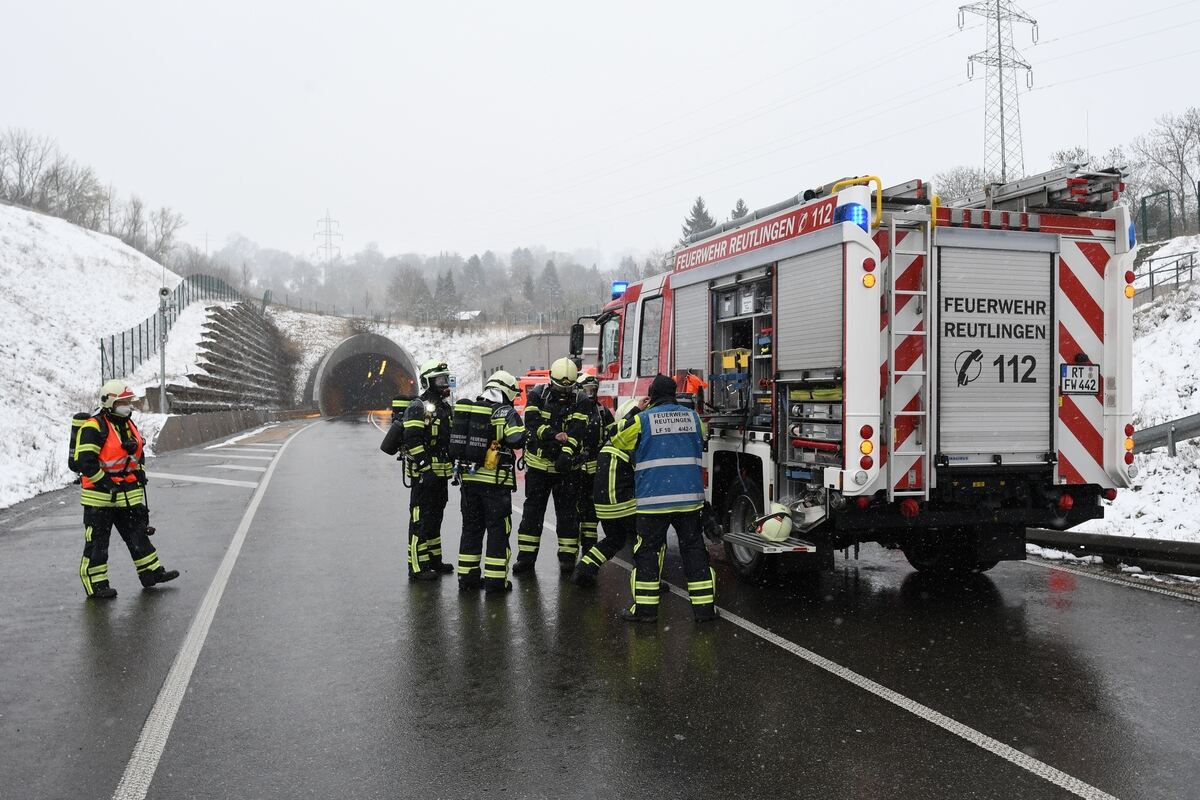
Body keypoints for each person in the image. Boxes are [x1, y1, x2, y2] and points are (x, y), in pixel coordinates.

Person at [611, 374, 716, 623]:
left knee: (647, 554)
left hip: (654, 501)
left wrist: (637, 408)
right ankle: (705, 611)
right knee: (694, 552)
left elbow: (617, 439)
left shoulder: (642, 419)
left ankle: (646, 611)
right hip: (689, 500)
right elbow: (701, 440)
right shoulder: (693, 418)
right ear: (675, 394)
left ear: (653, 395)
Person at [75, 380, 178, 599]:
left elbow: (137, 454)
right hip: (100, 499)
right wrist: (107, 483)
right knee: (98, 544)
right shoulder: (94, 427)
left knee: (138, 536)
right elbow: (85, 462)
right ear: (110, 402)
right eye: (123, 401)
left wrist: (139, 471)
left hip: (127, 496)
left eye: (129, 401)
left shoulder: (128, 424)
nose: (128, 405)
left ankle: (151, 573)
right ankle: (96, 585)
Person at [512, 357, 586, 575]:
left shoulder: (580, 399)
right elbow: (532, 424)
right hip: (539, 468)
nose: (564, 393)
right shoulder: (537, 394)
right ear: (551, 380)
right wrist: (555, 436)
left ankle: (567, 558)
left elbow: (578, 429)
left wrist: (566, 452)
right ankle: (525, 559)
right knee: (532, 514)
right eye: (559, 387)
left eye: (568, 387)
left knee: (568, 515)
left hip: (566, 469)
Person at [457, 370, 526, 594]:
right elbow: (517, 440)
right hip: (495, 486)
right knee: (497, 531)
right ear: (506, 391)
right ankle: (496, 582)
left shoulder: (472, 410)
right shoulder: (505, 412)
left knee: (471, 530)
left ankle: (467, 578)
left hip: (468, 481)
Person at [572, 398, 640, 587]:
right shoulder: (631, 441)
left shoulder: (612, 439)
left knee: (614, 540)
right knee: (646, 539)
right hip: (623, 504)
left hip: (604, 505)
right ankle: (647, 578)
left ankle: (585, 568)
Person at [402, 359, 455, 581]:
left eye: (446, 379)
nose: (445, 384)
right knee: (420, 520)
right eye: (440, 380)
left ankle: (434, 560)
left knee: (435, 518)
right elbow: (412, 439)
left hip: (440, 475)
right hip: (424, 476)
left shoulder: (445, 408)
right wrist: (424, 466)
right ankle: (417, 566)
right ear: (428, 382)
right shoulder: (418, 406)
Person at [569, 373, 614, 568]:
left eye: (593, 390)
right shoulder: (572, 409)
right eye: (586, 390)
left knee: (591, 515)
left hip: (595, 472)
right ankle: (568, 554)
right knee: (571, 512)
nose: (590, 394)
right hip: (575, 471)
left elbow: (613, 434)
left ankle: (588, 551)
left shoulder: (602, 411)